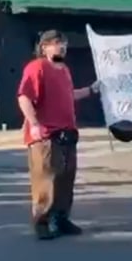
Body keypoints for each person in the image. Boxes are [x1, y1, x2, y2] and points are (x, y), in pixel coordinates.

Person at [17, 30, 100, 240]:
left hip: (67, 133)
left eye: (64, 43)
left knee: (65, 179)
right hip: (46, 135)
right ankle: (42, 222)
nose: (62, 47)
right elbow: (24, 97)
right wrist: (34, 123)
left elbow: (69, 95)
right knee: (46, 180)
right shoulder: (37, 67)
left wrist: (91, 90)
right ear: (44, 47)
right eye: (56, 43)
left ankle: (60, 218)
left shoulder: (64, 70)